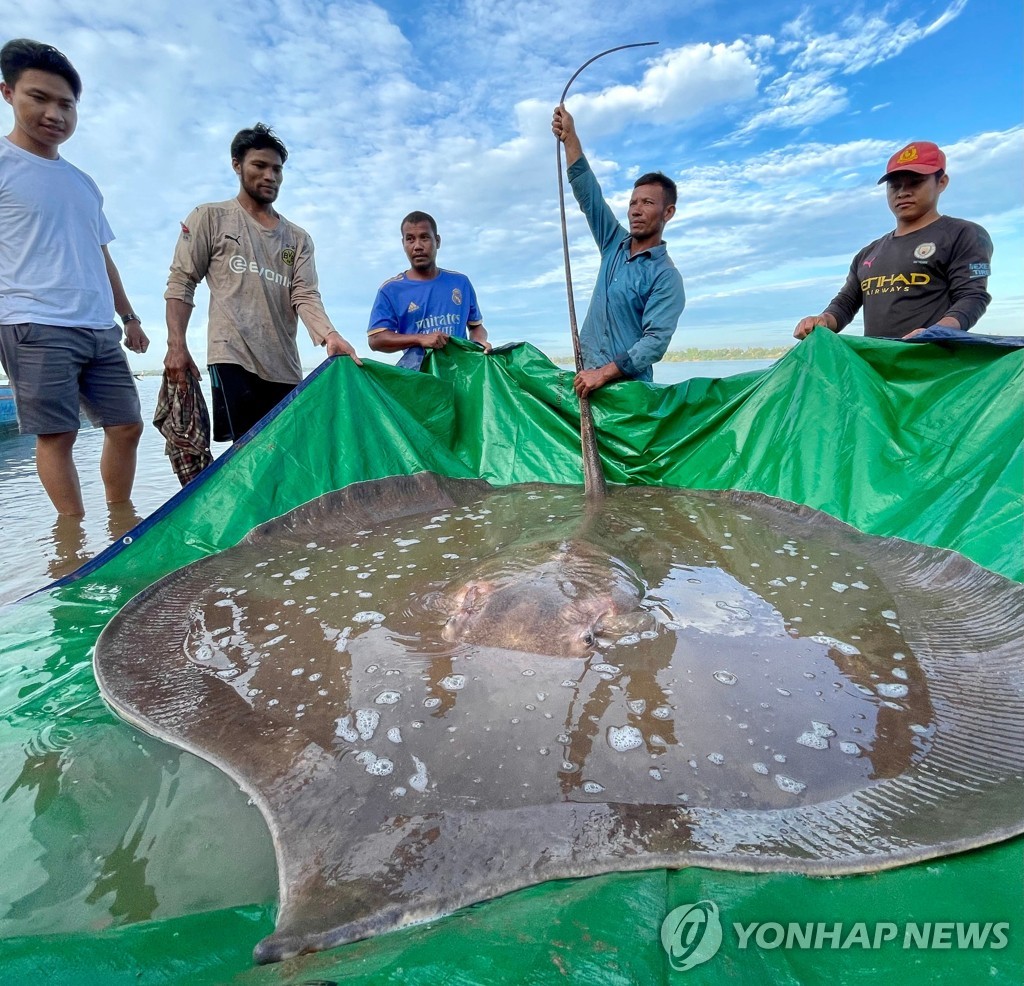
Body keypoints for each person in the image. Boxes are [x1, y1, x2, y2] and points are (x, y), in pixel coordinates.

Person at [0, 38, 148, 517]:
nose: (54, 113)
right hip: (32, 321)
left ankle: (120, 520)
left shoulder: (84, 183)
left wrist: (128, 317)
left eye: (65, 103)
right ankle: (73, 535)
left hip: (97, 325)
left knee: (127, 425)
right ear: (8, 93)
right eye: (38, 98)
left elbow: (102, 256)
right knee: (58, 435)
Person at [163, 123, 360, 442]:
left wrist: (329, 336)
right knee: (248, 450)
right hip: (231, 355)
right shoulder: (210, 218)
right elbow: (181, 282)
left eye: (277, 169)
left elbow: (305, 295)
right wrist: (176, 346)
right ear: (237, 165)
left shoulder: (298, 239)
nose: (270, 176)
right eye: (260, 165)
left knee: (289, 452)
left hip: (284, 364)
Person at [793, 141, 993, 342]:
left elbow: (972, 297)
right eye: (895, 185)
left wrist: (937, 332)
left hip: (935, 364)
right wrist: (822, 320)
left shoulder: (963, 234)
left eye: (915, 182)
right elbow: (845, 304)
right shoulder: (867, 254)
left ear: (941, 182)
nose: (903, 192)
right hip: (877, 366)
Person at [551, 105, 685, 398]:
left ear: (668, 212)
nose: (636, 210)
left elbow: (655, 342)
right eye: (633, 203)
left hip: (628, 393)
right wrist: (570, 137)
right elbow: (589, 195)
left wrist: (604, 373)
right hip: (585, 382)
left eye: (648, 203)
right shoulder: (613, 243)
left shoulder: (666, 277)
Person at [367, 211, 489, 370]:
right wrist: (420, 339)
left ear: (437, 241)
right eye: (410, 239)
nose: (417, 246)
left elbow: (476, 326)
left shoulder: (460, 282)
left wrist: (479, 343)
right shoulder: (390, 290)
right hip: (421, 379)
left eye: (424, 237)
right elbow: (376, 339)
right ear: (403, 244)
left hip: (463, 374)